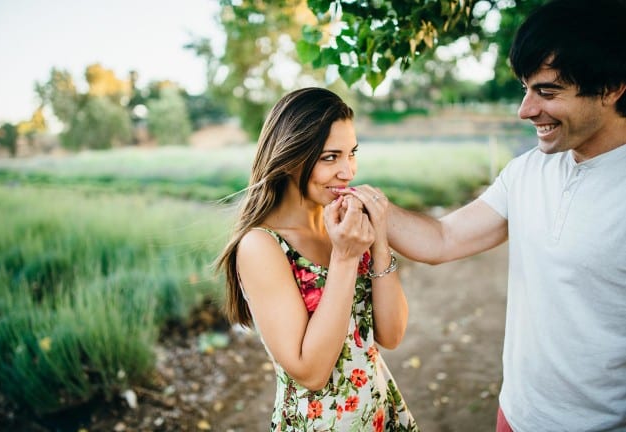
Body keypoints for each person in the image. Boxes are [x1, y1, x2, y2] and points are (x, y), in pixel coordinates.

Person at [343, 0, 626, 430]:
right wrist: (357, 197)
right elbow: (441, 239)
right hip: (515, 415)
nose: (526, 110)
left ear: (612, 87)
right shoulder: (528, 170)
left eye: (547, 92)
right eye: (526, 89)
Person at [217, 87, 420, 431]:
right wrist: (345, 257)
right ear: (291, 158)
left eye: (351, 153)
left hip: (379, 414)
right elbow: (310, 371)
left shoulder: (343, 226)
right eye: (330, 157)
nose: (348, 171)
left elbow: (391, 334)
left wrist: (379, 236)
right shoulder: (261, 246)